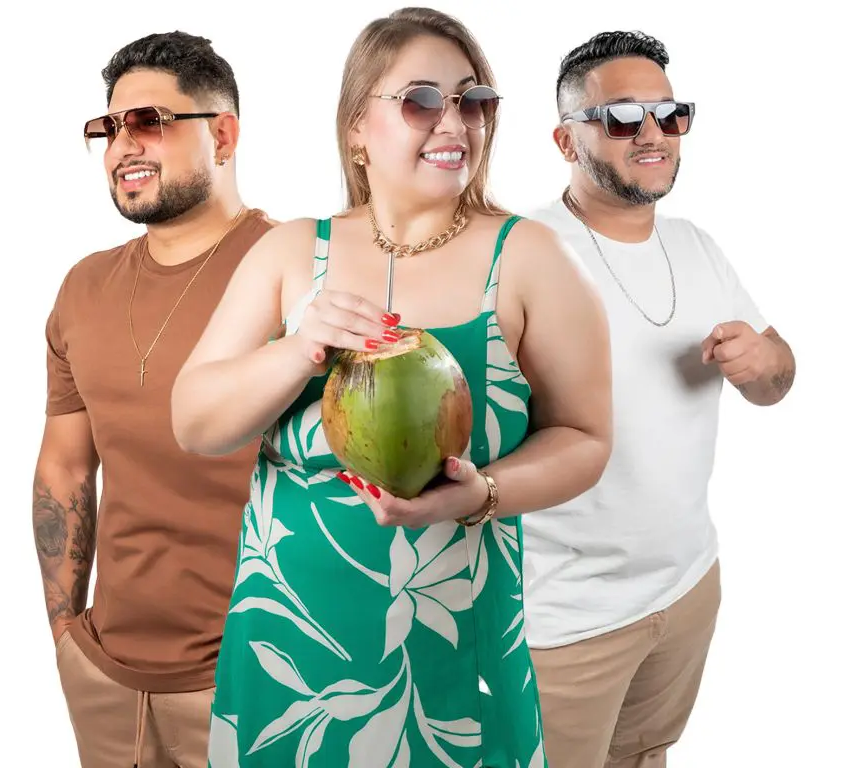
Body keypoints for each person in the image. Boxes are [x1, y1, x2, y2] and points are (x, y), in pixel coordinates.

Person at [170, 7, 613, 766]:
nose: (455, 125)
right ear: (355, 127)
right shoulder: (289, 253)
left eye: (474, 102)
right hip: (292, 643)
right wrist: (301, 347)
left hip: (455, 644)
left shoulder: (529, 257)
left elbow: (587, 438)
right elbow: (195, 421)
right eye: (421, 101)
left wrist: (485, 493)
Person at [521, 30, 797, 768]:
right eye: (621, 117)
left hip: (686, 588)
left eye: (670, 114)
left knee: (646, 758)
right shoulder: (521, 253)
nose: (652, 134)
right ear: (564, 138)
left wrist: (766, 361)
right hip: (563, 617)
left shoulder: (697, 245)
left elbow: (778, 381)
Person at [32, 31, 274, 768]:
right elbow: (65, 470)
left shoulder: (295, 268)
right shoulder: (84, 287)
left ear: (222, 135)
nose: (121, 146)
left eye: (150, 122)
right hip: (107, 677)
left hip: (257, 678)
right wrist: (68, 635)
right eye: (108, 128)